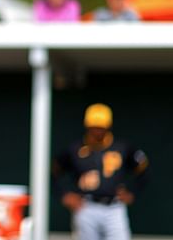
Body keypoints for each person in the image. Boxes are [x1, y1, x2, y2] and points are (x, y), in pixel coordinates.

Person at [51, 103, 149, 240]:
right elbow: (53, 171)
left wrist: (132, 192)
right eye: (94, 127)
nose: (97, 131)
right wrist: (64, 195)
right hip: (86, 206)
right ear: (87, 126)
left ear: (108, 126)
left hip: (114, 207)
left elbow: (143, 169)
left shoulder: (122, 147)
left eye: (101, 127)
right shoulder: (75, 149)